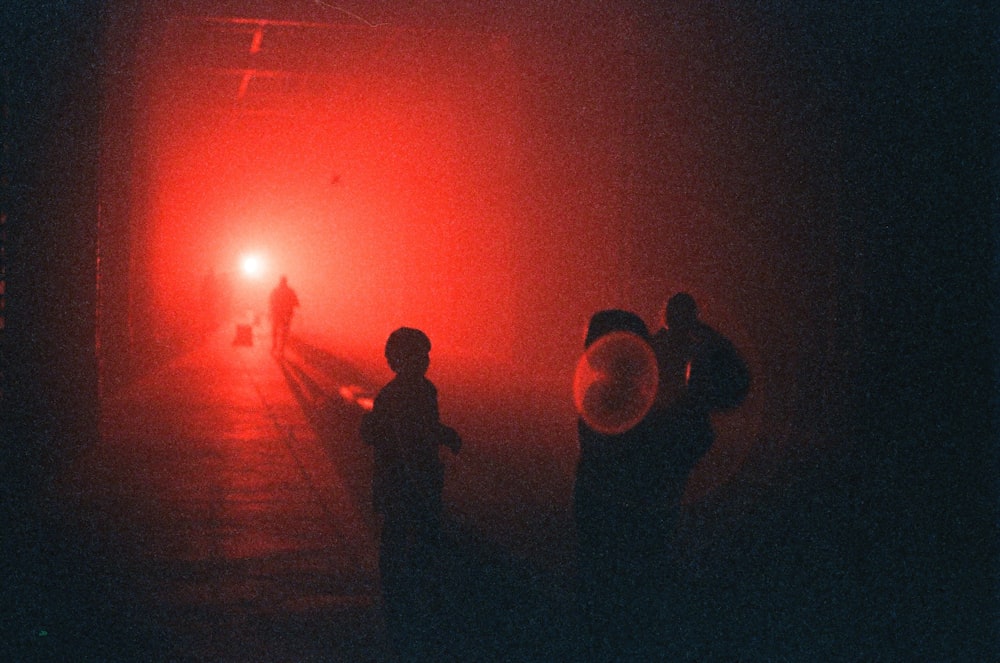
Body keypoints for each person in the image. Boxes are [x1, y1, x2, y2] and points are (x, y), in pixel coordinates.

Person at [574, 309, 681, 660]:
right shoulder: (645, 396)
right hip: (632, 502)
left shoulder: (603, 394)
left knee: (609, 586)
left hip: (612, 502)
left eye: (593, 341)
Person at [359, 327, 462, 659]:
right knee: (411, 538)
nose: (426, 361)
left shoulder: (398, 393)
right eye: (420, 355)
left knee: (398, 536)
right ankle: (412, 604)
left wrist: (442, 434)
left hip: (398, 480)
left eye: (426, 355)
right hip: (408, 481)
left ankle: (403, 595)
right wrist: (423, 481)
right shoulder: (412, 392)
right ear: (402, 359)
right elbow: (410, 439)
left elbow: (393, 431)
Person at [268, 275, 299, 356]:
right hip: (286, 314)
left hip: (277, 314)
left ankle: (274, 346)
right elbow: (296, 302)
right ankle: (281, 349)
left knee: (275, 330)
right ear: (286, 282)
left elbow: (271, 301)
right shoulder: (290, 291)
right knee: (284, 332)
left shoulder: (275, 290)